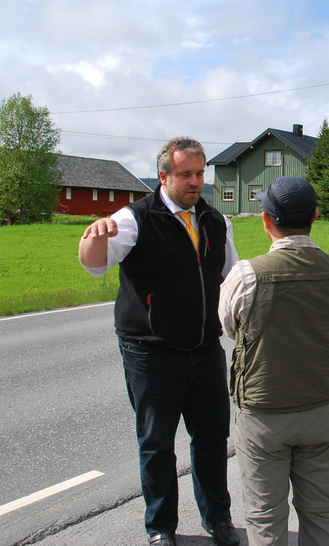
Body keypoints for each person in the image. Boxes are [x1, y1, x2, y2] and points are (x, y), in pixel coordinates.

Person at [78, 137, 240, 546]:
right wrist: (94, 236)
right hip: (151, 353)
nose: (195, 182)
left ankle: (218, 519)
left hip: (204, 350)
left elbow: (229, 277)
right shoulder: (134, 218)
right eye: (186, 174)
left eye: (200, 173)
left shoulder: (216, 221)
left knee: (211, 438)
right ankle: (160, 527)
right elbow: (95, 265)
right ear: (163, 176)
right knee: (156, 443)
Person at [218, 176, 329, 546]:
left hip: (264, 413)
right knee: (321, 511)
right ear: (315, 216)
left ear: (265, 220)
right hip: (320, 408)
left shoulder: (246, 274)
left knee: (265, 519)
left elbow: (230, 326)